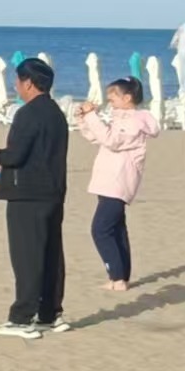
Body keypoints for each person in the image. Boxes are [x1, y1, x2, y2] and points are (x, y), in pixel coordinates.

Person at [0, 58, 68, 339]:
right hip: (52, 192)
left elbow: (16, 154)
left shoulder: (28, 113)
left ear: (29, 83)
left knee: (27, 256)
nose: (16, 86)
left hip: (28, 194)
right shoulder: (56, 113)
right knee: (50, 254)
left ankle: (22, 318)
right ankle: (49, 313)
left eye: (18, 81)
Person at [76, 77, 158, 292]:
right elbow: (97, 138)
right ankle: (120, 276)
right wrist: (84, 119)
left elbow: (112, 141)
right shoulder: (120, 119)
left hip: (119, 181)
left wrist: (92, 116)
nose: (109, 102)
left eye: (113, 98)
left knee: (100, 229)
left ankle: (117, 276)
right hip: (108, 179)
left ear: (127, 98)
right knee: (116, 229)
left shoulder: (135, 121)